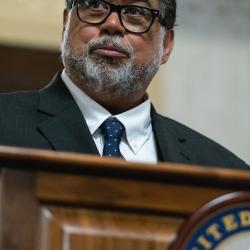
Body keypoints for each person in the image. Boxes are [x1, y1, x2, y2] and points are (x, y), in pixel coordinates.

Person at [0, 0, 248, 169]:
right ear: (66, 24)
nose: (113, 24)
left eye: (136, 12)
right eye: (94, 5)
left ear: (167, 45)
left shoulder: (226, 173)